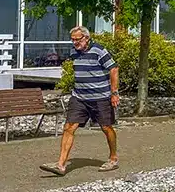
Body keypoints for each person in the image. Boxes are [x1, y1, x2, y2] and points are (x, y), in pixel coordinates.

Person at [41, 26, 119, 176]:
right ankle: (61, 164)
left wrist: (114, 92)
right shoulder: (73, 52)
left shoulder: (99, 51)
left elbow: (114, 69)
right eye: (73, 40)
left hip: (100, 97)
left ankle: (113, 158)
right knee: (69, 127)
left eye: (78, 39)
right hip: (79, 97)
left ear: (87, 38)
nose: (75, 43)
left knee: (106, 127)